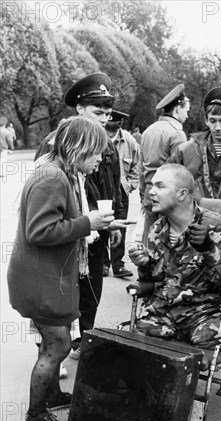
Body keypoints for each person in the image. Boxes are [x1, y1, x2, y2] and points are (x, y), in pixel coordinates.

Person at [7, 117, 114, 421]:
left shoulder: (56, 171)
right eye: (96, 153)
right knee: (58, 344)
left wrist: (91, 223)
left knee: (53, 342)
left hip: (46, 277)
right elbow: (39, 231)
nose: (99, 160)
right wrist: (88, 223)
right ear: (80, 149)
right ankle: (36, 412)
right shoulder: (53, 177)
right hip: (39, 281)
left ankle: (51, 396)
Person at [35, 73, 126, 361]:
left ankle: (82, 343)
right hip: (69, 232)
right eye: (98, 112)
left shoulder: (105, 141)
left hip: (97, 231)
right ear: (80, 109)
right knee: (59, 296)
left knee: (90, 293)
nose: (103, 119)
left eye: (107, 113)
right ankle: (50, 352)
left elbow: (115, 184)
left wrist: (116, 220)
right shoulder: (56, 143)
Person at [129, 163, 221, 348]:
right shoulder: (157, 229)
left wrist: (209, 249)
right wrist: (144, 263)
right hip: (165, 313)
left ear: (182, 194)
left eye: (159, 186)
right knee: (135, 342)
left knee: (207, 341)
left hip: (205, 315)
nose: (151, 192)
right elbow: (153, 279)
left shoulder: (216, 227)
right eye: (151, 185)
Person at [170, 86, 221, 201]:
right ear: (206, 120)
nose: (217, 127)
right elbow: (168, 181)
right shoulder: (186, 150)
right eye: (213, 121)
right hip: (195, 215)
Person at [139, 84, 190, 244]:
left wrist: (143, 194)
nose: (187, 116)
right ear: (177, 109)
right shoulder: (177, 133)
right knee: (166, 242)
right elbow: (180, 171)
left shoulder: (148, 130)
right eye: (186, 111)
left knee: (148, 238)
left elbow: (141, 166)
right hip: (168, 195)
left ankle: (144, 268)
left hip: (149, 190)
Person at [103, 110, 139, 278]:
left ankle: (118, 265)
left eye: (114, 127)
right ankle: (103, 263)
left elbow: (136, 168)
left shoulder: (130, 142)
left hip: (120, 192)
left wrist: (129, 186)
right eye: (108, 127)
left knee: (120, 226)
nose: (110, 131)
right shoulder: (98, 138)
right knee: (101, 225)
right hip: (101, 189)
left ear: (120, 125)